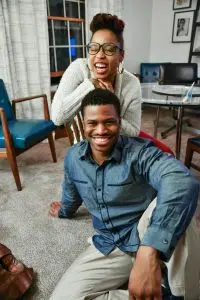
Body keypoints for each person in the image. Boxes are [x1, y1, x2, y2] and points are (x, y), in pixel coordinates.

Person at [49, 88, 200, 300]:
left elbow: (182, 180)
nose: (100, 130)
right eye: (92, 123)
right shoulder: (73, 158)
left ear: (120, 123)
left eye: (109, 122)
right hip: (111, 243)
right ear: (83, 124)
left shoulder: (140, 152)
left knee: (175, 202)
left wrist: (149, 249)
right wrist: (64, 211)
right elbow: (71, 193)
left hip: (145, 231)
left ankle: (183, 294)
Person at [51, 13, 141, 137]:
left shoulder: (131, 83)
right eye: (94, 48)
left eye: (109, 49)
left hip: (120, 145)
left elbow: (133, 132)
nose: (99, 55)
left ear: (121, 56)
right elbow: (57, 117)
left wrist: (111, 109)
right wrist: (90, 85)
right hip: (85, 148)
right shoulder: (78, 69)